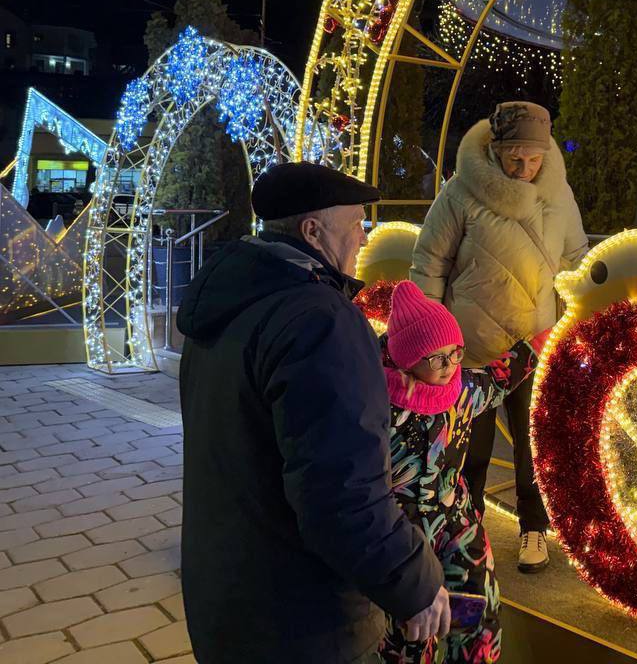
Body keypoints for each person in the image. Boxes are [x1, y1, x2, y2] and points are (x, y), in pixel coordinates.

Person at [177, 162, 449, 663]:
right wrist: (415, 582)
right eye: (356, 223)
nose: (364, 237)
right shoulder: (320, 322)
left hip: (224, 600)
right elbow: (341, 496)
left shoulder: (226, 304)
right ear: (312, 231)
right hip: (300, 622)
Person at [411, 101, 587, 573]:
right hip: (471, 347)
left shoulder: (559, 196)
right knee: (471, 447)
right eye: (514, 157)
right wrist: (431, 340)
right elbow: (429, 262)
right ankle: (470, 527)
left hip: (535, 344)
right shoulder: (460, 192)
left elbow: (576, 260)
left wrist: (572, 320)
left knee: (534, 444)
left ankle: (534, 527)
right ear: (494, 149)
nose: (523, 167)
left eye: (533, 158)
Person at [378, 280, 549, 664]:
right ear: (406, 358)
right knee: (408, 634)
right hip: (398, 534)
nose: (450, 366)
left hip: (457, 526)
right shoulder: (376, 401)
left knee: (476, 619)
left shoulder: (464, 390)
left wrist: (542, 337)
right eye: (436, 358)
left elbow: (503, 376)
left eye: (455, 354)